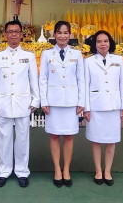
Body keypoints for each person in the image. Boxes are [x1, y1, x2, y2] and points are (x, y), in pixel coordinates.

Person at [0, 20, 40, 188]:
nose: (13, 35)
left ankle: (22, 171)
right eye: (10, 32)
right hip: (3, 103)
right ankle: (3, 171)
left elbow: (34, 80)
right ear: (5, 34)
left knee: (23, 139)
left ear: (21, 34)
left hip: (23, 103)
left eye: (16, 32)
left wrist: (35, 100)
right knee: (4, 139)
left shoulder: (29, 56)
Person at [39, 21, 84, 188]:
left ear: (70, 35)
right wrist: (44, 100)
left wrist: (81, 101)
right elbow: (42, 79)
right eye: (59, 32)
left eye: (66, 33)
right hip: (53, 101)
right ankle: (57, 169)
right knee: (54, 135)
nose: (63, 36)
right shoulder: (46, 54)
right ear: (54, 35)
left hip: (71, 101)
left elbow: (81, 79)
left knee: (69, 136)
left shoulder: (77, 54)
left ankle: (67, 170)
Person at [83, 30, 123, 186]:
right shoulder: (88, 62)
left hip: (113, 105)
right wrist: (86, 109)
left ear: (110, 43)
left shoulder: (118, 60)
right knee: (95, 140)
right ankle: (98, 170)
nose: (103, 44)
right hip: (96, 106)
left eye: (106, 41)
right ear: (95, 44)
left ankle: (107, 171)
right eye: (99, 41)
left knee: (111, 140)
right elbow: (85, 86)